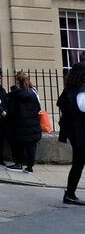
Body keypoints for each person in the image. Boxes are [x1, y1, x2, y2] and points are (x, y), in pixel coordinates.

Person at [58, 62, 85, 205]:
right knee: (79, 162)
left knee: (78, 162)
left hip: (74, 130)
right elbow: (82, 108)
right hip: (79, 132)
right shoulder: (80, 91)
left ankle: (70, 194)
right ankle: (69, 194)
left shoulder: (69, 90)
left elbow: (61, 104)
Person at [5, 70, 41, 173]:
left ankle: (18, 164)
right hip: (33, 123)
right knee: (31, 145)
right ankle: (30, 167)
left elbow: (11, 111)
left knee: (17, 144)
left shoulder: (15, 95)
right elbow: (38, 108)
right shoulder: (33, 93)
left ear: (17, 81)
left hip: (18, 124)